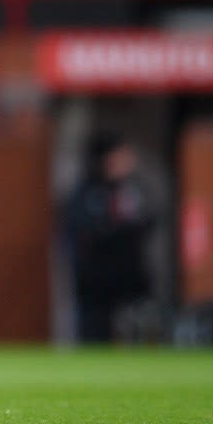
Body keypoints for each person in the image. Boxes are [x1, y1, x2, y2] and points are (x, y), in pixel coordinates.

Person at [64, 133, 157, 343]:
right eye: (122, 155)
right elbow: (84, 230)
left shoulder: (133, 189)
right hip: (97, 280)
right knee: (95, 334)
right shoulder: (87, 192)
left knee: (137, 332)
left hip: (130, 278)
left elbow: (151, 218)